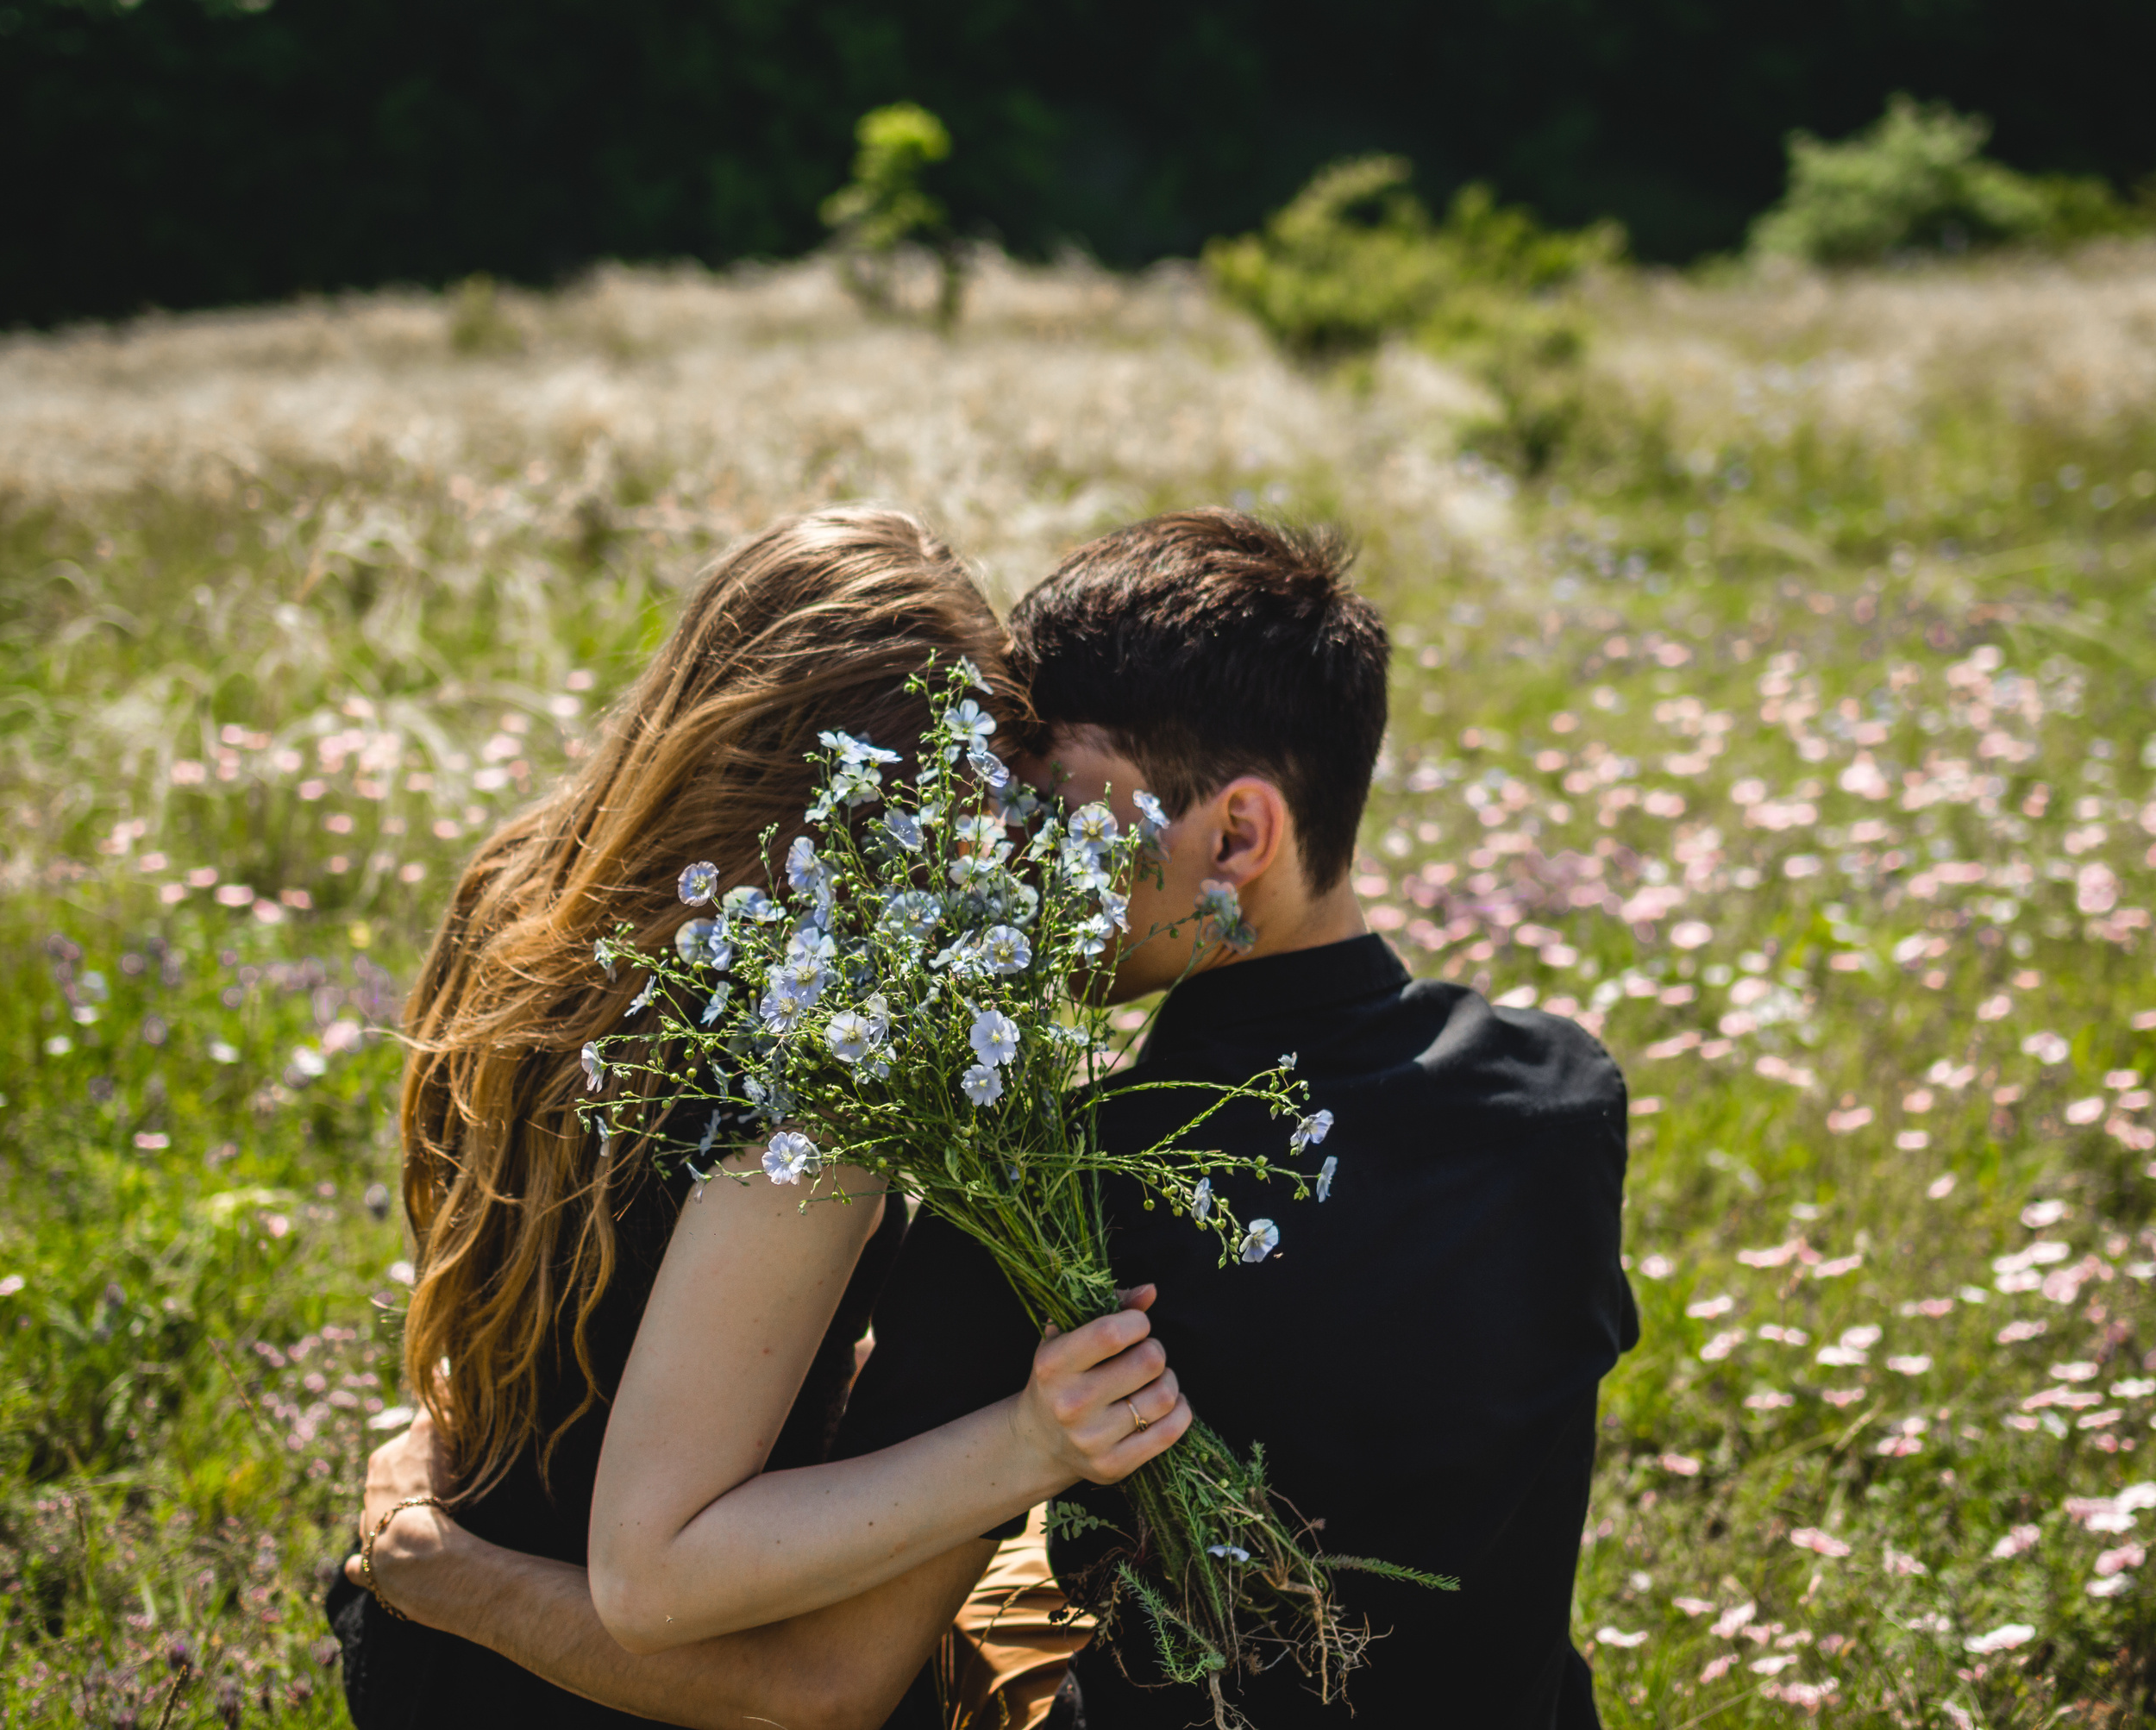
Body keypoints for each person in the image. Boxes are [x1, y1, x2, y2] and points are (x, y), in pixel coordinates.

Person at [351, 508, 1638, 1728]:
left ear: (1239, 832)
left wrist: (451, 1571)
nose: (1013, 863)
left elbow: (823, 1681)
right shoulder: (1568, 1098)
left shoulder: (1050, 1207)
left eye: (1056, 813)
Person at [328, 505, 1193, 1730]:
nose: (974, 855)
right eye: (956, 801)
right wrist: (1030, 1446)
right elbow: (787, 1671)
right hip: (636, 1680)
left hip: (433, 1654)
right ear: (849, 797)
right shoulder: (813, 1093)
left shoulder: (526, 893)